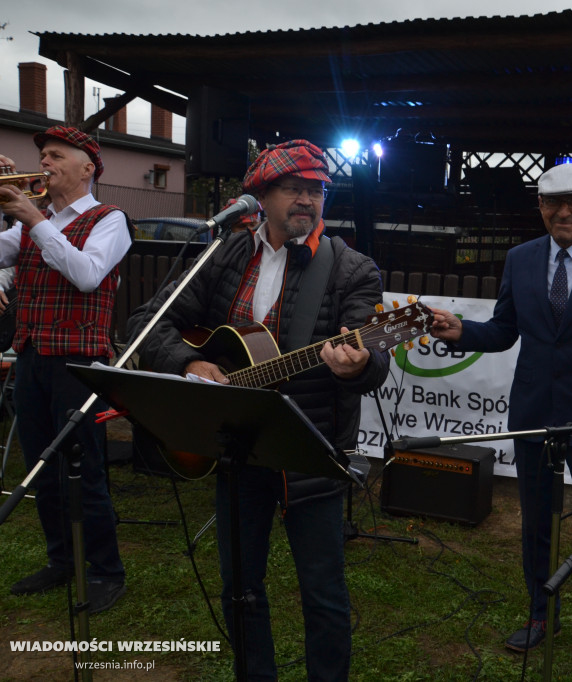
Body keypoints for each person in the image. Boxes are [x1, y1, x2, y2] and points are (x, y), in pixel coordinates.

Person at [128, 139, 390, 681]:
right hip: (235, 449)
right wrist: (189, 365)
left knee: (323, 596)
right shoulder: (224, 253)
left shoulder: (351, 269)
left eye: (316, 190)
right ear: (260, 197)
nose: (306, 200)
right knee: (240, 589)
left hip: (311, 454)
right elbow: (147, 325)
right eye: (292, 188)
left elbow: (376, 360)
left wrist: (357, 365)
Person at [429, 162, 572, 671]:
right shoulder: (520, 259)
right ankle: (540, 614)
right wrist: (462, 331)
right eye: (553, 203)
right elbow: (505, 329)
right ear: (541, 208)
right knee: (537, 528)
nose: (564, 212)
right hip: (532, 417)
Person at [0, 126, 130, 614]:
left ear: (87, 167)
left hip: (79, 360)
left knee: (82, 467)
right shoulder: (32, 222)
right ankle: (62, 559)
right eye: (43, 156)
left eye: (56, 155)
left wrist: (34, 217)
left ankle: (106, 570)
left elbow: (87, 274)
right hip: (33, 355)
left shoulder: (109, 219)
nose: (46, 163)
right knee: (42, 465)